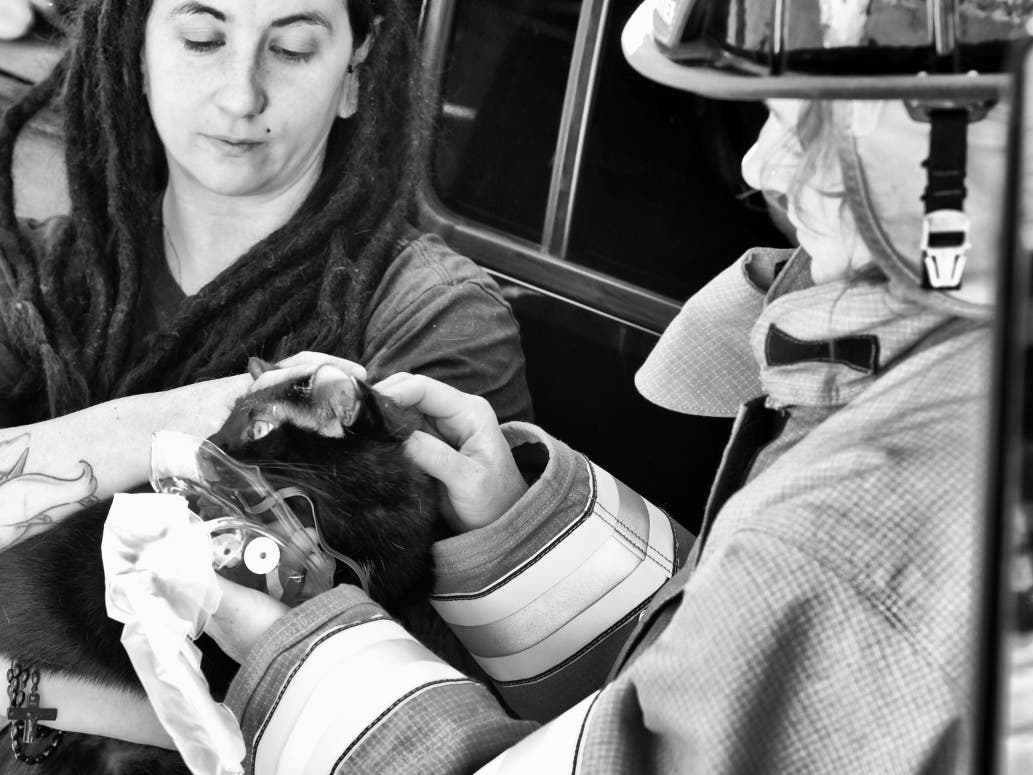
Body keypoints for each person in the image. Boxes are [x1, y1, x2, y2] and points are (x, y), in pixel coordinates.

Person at [0, 0, 530, 750]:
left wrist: (21, 691)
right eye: (203, 38)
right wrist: (207, 415)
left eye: (292, 49)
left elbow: (394, 716)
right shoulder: (33, 274)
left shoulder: (429, 319)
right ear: (135, 47)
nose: (241, 94)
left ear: (353, 70)